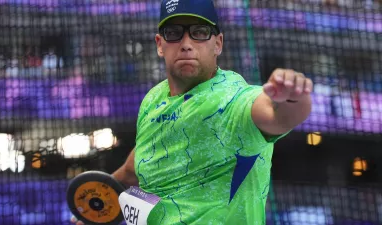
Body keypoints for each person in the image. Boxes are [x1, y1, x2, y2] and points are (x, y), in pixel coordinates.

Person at [72, 0, 313, 224]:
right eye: (174, 33)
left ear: (217, 43)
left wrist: (293, 97)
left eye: (199, 33)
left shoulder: (233, 99)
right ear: (160, 44)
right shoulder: (153, 99)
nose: (186, 44)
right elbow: (137, 167)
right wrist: (100, 200)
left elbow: (278, 116)